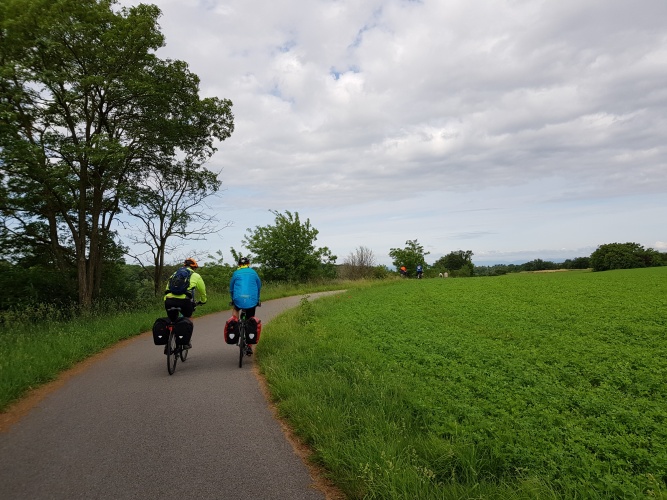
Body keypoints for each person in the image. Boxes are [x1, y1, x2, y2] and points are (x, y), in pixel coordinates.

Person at [164, 258, 207, 348]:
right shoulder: (195, 275)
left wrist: (166, 300)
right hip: (184, 301)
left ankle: (168, 342)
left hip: (169, 300)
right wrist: (203, 300)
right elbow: (202, 290)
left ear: (184, 265)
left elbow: (167, 289)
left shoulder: (175, 274)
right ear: (194, 267)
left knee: (172, 320)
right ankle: (186, 341)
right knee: (188, 318)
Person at [229, 256, 262, 355]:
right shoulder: (253, 272)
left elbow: (231, 288)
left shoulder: (236, 273)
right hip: (252, 300)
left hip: (238, 299)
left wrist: (233, 299)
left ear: (239, 264)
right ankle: (249, 346)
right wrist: (257, 298)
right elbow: (259, 286)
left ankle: (235, 323)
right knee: (250, 318)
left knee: (235, 308)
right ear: (248, 264)